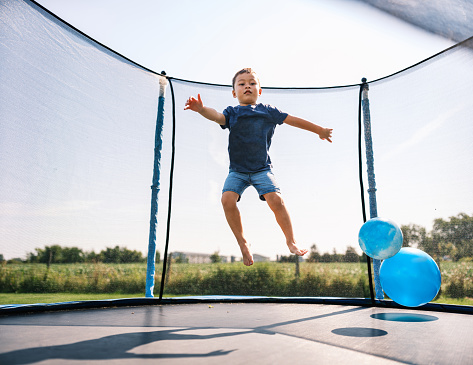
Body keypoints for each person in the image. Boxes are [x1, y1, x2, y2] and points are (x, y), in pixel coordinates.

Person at [184, 68, 333, 266]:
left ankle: (291, 240)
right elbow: (217, 117)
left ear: (259, 90)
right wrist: (202, 109)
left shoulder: (268, 111)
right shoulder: (232, 112)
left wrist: (319, 130)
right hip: (237, 170)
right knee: (227, 199)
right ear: (234, 92)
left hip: (262, 169)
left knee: (276, 199)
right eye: (242, 83)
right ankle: (243, 243)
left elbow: (293, 120)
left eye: (252, 83)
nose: (247, 86)